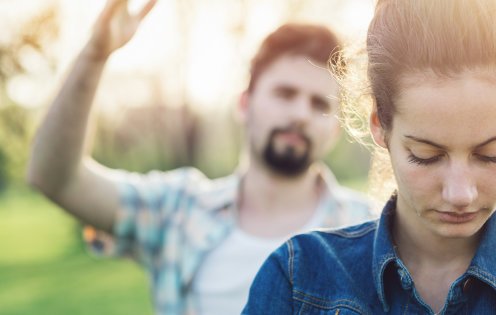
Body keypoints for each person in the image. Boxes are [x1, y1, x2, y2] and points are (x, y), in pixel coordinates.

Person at [243, 0, 496, 314]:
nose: (460, 193)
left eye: (491, 154)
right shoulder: (298, 280)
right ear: (380, 125)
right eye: (426, 156)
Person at [26, 0, 374, 314]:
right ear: (244, 103)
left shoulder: (371, 233)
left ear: (335, 130)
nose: (300, 113)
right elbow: (56, 178)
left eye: (319, 104)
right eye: (285, 93)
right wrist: (95, 54)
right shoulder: (178, 211)